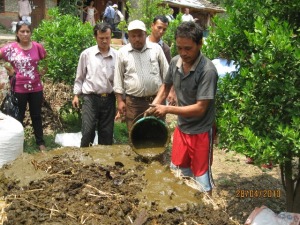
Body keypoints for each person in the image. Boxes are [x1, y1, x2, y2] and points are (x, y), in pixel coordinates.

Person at [145, 22, 218, 195]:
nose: (183, 53)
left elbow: (201, 108)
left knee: (202, 179)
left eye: (188, 48)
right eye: (179, 48)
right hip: (182, 128)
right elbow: (165, 86)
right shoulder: (175, 62)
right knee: (177, 173)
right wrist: (155, 104)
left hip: (201, 132)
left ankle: (207, 210)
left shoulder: (207, 71)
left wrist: (167, 109)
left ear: (200, 44)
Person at [113, 20, 169, 131]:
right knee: (135, 134)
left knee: (158, 133)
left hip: (155, 101)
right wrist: (120, 101)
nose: (137, 39)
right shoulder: (122, 52)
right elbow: (118, 79)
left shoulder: (156, 49)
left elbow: (167, 75)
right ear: (128, 36)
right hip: (134, 103)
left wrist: (169, 94)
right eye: (133, 36)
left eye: (140, 35)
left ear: (145, 34)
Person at [0, 21, 47, 151]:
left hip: (36, 87)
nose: (25, 34)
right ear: (17, 33)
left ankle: (40, 142)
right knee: (18, 116)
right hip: (19, 88)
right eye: (22, 31)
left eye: (28, 31)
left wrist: (44, 70)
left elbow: (46, 59)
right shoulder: (11, 48)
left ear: (31, 33)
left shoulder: (37, 47)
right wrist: (7, 68)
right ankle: (18, 142)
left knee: (36, 115)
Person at [72, 23, 117, 147]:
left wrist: (121, 99)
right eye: (101, 38)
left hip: (109, 98)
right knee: (87, 131)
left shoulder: (116, 56)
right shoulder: (86, 54)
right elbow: (80, 76)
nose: (104, 41)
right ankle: (85, 160)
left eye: (107, 38)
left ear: (111, 36)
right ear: (95, 37)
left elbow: (120, 80)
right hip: (90, 98)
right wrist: (76, 95)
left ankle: (104, 163)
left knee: (107, 134)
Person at [147, 15, 176, 105]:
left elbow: (169, 73)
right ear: (152, 26)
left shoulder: (165, 49)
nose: (161, 31)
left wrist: (171, 91)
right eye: (159, 27)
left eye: (164, 29)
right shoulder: (141, 44)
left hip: (158, 94)